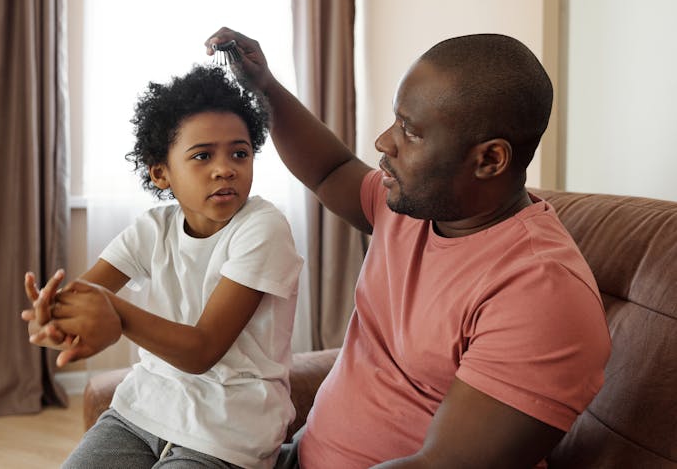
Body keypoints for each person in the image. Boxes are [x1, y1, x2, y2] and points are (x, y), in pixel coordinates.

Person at [199, 29, 612, 469]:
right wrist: (265, 86)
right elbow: (331, 170)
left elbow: (439, 465)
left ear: (489, 159)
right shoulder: (416, 206)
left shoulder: (539, 294)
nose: (384, 142)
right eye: (397, 121)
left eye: (410, 131)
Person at [22, 65, 304, 469]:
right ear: (161, 173)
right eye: (202, 155)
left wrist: (114, 313)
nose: (224, 168)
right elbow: (82, 300)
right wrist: (50, 320)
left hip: (228, 432)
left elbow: (202, 350)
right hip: (141, 412)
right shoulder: (153, 229)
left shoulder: (263, 227)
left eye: (239, 153)